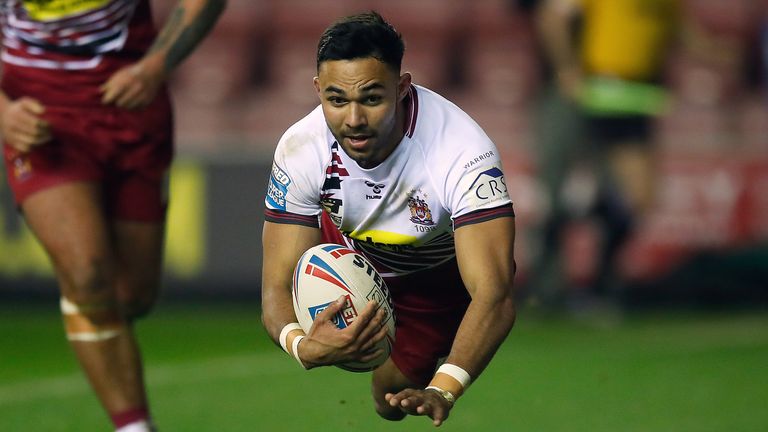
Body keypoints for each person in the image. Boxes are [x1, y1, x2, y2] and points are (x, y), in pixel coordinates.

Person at [261, 11, 517, 427]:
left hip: (433, 278)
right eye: (336, 99)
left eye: (372, 98)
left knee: (389, 400)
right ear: (318, 90)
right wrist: (300, 346)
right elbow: (275, 284)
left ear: (401, 87)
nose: (354, 120)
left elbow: (496, 293)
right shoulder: (301, 147)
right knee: (385, 396)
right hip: (348, 251)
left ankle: (439, 344)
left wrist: (443, 387)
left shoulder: (461, 152)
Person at [0, 1, 225, 430]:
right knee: (87, 275)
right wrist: (3, 114)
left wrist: (156, 66)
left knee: (132, 295)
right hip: (41, 120)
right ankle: (135, 424)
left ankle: (85, 302)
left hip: (132, 111)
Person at [527, 0, 679, 306]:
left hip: (625, 99)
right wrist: (568, 69)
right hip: (583, 95)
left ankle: (600, 286)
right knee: (556, 198)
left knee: (629, 199)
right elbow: (551, 17)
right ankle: (547, 291)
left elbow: (676, 31)